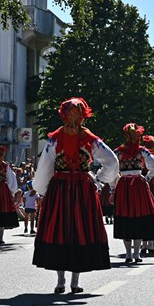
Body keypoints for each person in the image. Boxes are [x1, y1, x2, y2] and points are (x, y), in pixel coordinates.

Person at [32, 97, 118, 292]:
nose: (73, 118)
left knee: (65, 230)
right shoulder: (85, 139)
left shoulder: (58, 139)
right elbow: (112, 162)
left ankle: (69, 281)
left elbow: (44, 167)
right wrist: (98, 180)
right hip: (79, 188)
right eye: (71, 114)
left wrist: (44, 190)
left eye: (76, 114)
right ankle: (66, 281)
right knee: (75, 230)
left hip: (63, 189)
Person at [112, 123, 154, 264]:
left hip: (127, 185)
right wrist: (146, 177)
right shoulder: (139, 151)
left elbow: (110, 166)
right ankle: (132, 254)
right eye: (132, 135)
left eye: (135, 135)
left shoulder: (119, 151)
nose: (134, 138)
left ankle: (133, 253)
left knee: (132, 217)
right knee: (132, 217)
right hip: (136, 185)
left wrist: (114, 183)